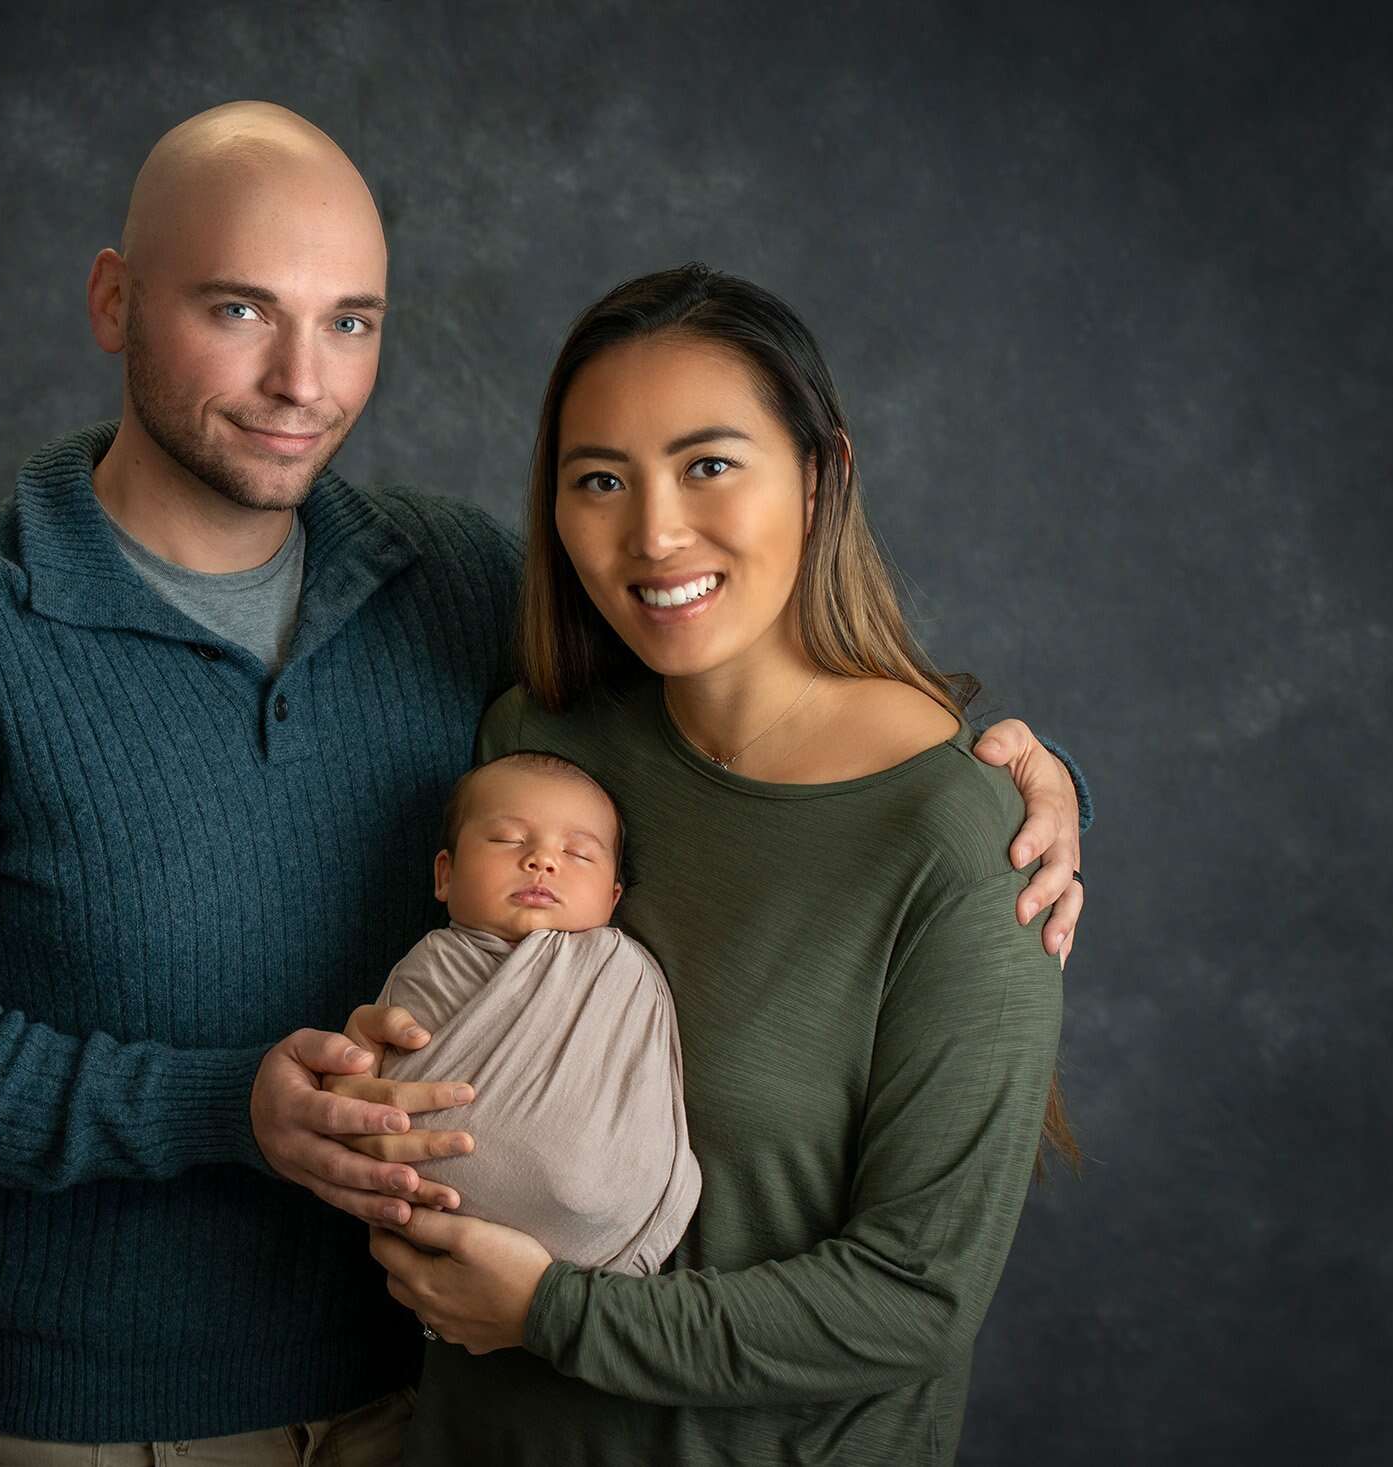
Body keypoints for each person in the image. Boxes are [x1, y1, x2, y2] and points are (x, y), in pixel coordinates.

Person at [0, 97, 1089, 1462]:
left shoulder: (450, 583)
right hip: (123, 1418)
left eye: (351, 319)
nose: (306, 378)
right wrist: (221, 1103)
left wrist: (1012, 778)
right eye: (240, 310)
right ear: (115, 302)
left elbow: (738, 683)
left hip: (430, 1397)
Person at [366, 264, 1081, 1465]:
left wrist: (552, 1314)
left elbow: (916, 1293)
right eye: (598, 480)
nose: (650, 534)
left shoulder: (962, 837)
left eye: (707, 464)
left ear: (819, 474)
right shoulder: (537, 746)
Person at [366, 751, 700, 1275]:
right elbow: (382, 1090)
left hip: (602, 1248)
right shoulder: (427, 968)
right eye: (508, 840)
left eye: (578, 854)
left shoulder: (619, 972)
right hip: (433, 1224)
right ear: (445, 873)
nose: (542, 860)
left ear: (612, 899)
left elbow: (641, 1094)